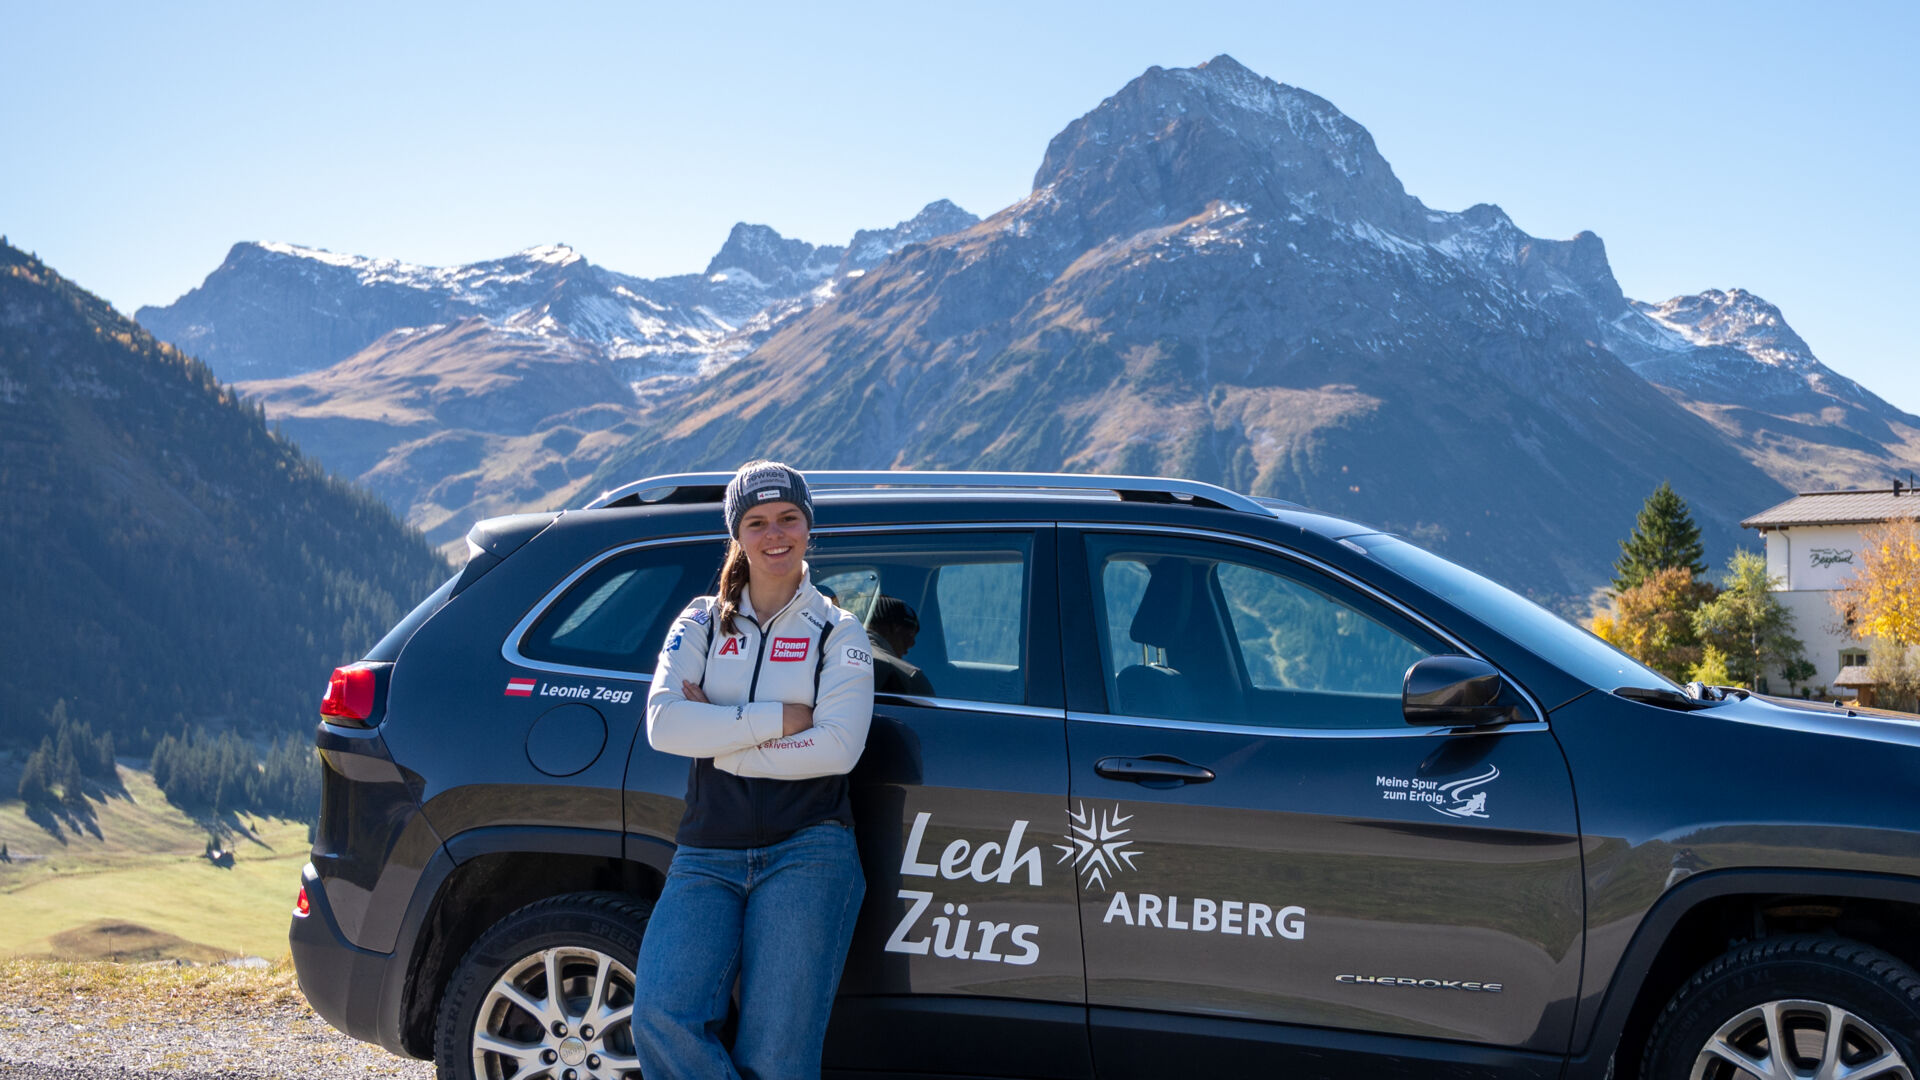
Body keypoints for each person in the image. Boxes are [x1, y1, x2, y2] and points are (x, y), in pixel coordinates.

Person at [633, 461, 876, 1080]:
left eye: (788, 519)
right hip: (707, 850)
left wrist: (722, 738)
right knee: (661, 1017)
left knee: (776, 1058)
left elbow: (839, 748)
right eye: (757, 522)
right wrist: (780, 717)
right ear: (737, 535)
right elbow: (665, 726)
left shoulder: (837, 629)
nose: (775, 535)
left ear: (808, 528)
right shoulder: (701, 621)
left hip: (809, 851)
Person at [866, 594, 935, 697]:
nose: (912, 644)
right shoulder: (908, 677)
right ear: (895, 628)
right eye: (910, 635)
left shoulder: (836, 654)